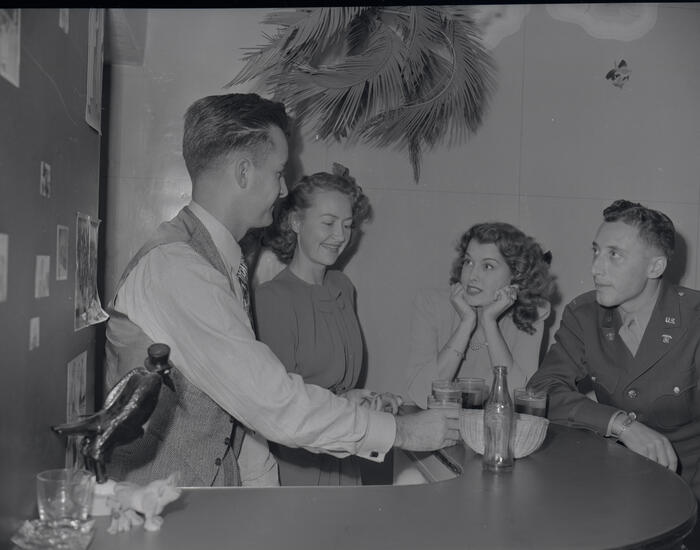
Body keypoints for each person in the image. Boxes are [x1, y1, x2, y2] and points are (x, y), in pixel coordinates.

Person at [103, 93, 459, 487]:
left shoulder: (215, 261)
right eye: (277, 173)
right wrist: (402, 432)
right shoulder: (177, 268)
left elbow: (238, 414)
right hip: (156, 507)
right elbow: (269, 400)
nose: (285, 189)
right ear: (243, 173)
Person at [528, 199, 700, 502]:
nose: (595, 268)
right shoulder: (584, 315)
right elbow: (542, 389)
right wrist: (620, 424)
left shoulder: (694, 318)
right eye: (596, 251)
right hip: (611, 487)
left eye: (614, 255)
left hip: (686, 496)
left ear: (655, 266)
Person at [255, 170, 400, 486]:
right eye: (328, 223)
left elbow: (336, 388)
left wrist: (360, 399)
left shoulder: (342, 286)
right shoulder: (271, 299)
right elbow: (279, 404)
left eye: (347, 225)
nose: (340, 236)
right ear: (296, 222)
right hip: (297, 464)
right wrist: (346, 404)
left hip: (345, 454)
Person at [406, 222, 554, 408]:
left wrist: (489, 322)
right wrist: (466, 324)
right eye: (468, 262)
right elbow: (421, 396)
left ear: (515, 274)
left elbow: (517, 400)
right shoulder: (431, 305)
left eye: (488, 266)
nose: (472, 276)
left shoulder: (530, 314)